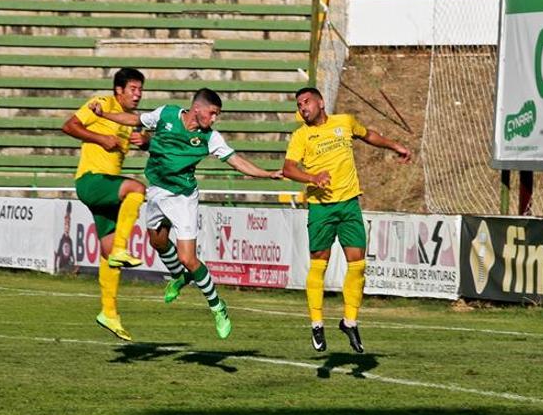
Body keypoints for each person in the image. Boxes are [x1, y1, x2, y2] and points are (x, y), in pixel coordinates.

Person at [94, 88, 282, 339]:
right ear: (198, 109)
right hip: (157, 190)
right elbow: (135, 119)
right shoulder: (166, 115)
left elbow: (237, 162)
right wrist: (105, 114)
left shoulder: (210, 138)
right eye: (213, 113)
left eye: (217, 115)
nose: (214, 119)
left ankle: (217, 307)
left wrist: (267, 174)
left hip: (183, 197)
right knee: (157, 241)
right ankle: (179, 278)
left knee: (188, 259)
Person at [282, 87, 411, 353]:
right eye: (298, 104)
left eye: (306, 102)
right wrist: (312, 178)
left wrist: (394, 145)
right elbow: (289, 168)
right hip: (321, 208)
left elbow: (368, 135)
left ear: (320, 102)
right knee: (319, 264)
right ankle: (317, 323)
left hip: (349, 204)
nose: (302, 107)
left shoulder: (345, 122)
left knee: (358, 264)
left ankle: (349, 321)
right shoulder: (301, 136)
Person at [62, 68, 148, 341]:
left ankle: (108, 313)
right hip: (91, 180)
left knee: (108, 253)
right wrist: (101, 138)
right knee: (137, 189)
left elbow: (147, 142)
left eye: (140, 89)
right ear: (118, 90)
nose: (138, 94)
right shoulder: (100, 104)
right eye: (133, 89)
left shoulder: (131, 120)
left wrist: (145, 141)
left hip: (107, 187)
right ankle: (124, 247)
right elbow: (69, 125)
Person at [54, 202, 76, 274]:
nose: (67, 227)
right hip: (62, 264)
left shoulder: (69, 240)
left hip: (66, 263)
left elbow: (71, 253)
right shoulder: (62, 239)